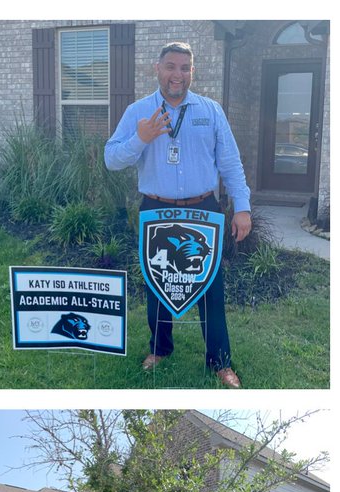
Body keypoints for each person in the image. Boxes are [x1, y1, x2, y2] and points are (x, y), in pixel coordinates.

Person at [104, 42, 250, 387]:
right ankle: (159, 349)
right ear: (157, 69)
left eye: (185, 68)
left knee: (211, 287)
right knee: (160, 281)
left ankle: (220, 361)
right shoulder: (138, 111)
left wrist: (241, 207)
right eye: (171, 66)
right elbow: (112, 160)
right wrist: (140, 139)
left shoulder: (210, 111)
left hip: (203, 207)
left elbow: (230, 163)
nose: (177, 75)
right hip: (157, 208)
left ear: (192, 72)